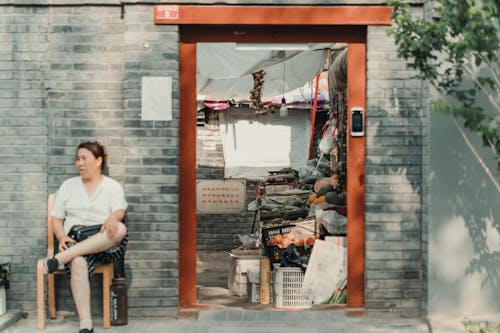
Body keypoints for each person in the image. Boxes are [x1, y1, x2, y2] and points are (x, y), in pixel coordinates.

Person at [44, 141, 128, 333]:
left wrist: (113, 218)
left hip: (102, 243)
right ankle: (86, 324)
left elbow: (120, 210)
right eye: (77, 159)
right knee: (78, 262)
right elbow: (56, 218)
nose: (79, 163)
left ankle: (60, 259)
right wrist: (61, 235)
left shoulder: (111, 186)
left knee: (120, 229)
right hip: (74, 240)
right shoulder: (68, 185)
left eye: (84, 158)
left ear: (98, 161)